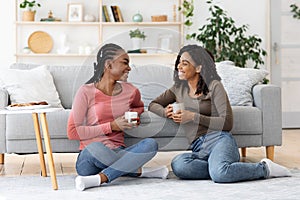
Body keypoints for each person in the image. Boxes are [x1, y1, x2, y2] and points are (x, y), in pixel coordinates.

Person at [148, 44, 291, 183]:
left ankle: (264, 168)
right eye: (179, 63)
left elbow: (227, 123)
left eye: (184, 63)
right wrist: (165, 112)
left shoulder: (215, 86)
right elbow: (153, 104)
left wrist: (192, 116)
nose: (179, 66)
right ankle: (220, 168)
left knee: (220, 175)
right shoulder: (178, 88)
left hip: (219, 140)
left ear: (199, 68)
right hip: (199, 147)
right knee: (179, 165)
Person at [67, 43, 168, 191]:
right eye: (125, 63)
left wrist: (134, 117)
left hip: (119, 150)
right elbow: (73, 131)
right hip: (90, 157)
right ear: (109, 65)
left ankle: (101, 178)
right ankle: (139, 170)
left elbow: (138, 107)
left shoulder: (131, 90)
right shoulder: (86, 91)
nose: (129, 68)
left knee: (150, 144)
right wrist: (112, 126)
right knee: (96, 147)